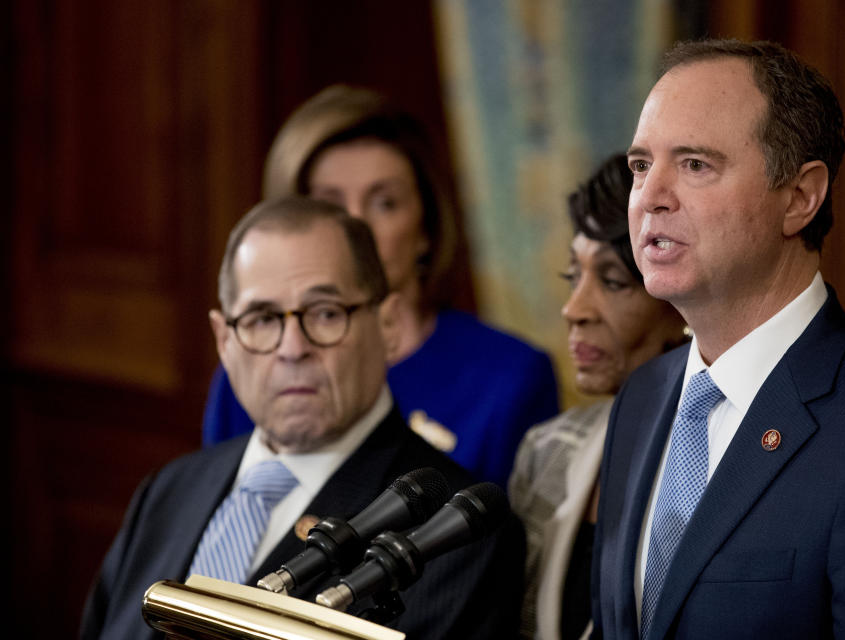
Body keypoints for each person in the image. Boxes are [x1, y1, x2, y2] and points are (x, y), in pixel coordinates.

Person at [591, 39, 845, 639]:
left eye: (694, 165)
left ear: (800, 198)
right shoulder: (642, 398)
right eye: (640, 165)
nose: (650, 197)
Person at [81, 197, 525, 640]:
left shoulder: (458, 534)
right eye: (261, 318)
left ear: (387, 325)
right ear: (223, 339)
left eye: (326, 313)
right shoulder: (169, 490)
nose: (292, 348)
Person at [203, 85, 558, 488]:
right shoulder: (255, 363)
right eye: (329, 206)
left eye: (384, 203)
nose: (356, 228)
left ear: (425, 226)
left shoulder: (509, 378)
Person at [509, 154, 687, 640]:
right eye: (573, 277)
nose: (574, 309)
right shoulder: (545, 450)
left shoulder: (714, 460)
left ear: (679, 301)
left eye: (611, 282)